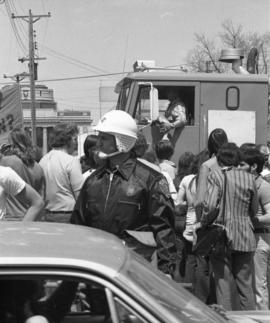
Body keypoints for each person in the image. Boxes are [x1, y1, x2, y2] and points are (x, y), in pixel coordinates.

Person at [71, 110, 177, 276]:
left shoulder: (151, 179)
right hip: (98, 270)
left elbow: (164, 229)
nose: (98, 143)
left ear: (122, 141)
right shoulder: (92, 180)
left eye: (104, 138)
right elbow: (78, 225)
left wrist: (166, 270)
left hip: (136, 270)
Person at [202, 143, 258, 311]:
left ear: (219, 161)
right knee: (246, 286)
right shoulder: (249, 178)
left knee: (223, 283)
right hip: (245, 236)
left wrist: (205, 221)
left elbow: (210, 206)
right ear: (238, 160)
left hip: (222, 236)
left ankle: (226, 319)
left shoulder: (216, 176)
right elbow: (254, 210)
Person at [177, 149, 214, 303]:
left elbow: (178, 204)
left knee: (191, 265)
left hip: (189, 226)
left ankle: (187, 300)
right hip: (205, 227)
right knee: (205, 267)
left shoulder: (187, 179)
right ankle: (204, 302)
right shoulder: (212, 179)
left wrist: (188, 205)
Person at [239, 144, 270, 310]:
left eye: (242, 164)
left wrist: (253, 220)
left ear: (254, 166)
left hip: (260, 240)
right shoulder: (248, 184)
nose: (239, 167)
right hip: (254, 240)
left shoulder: (263, 186)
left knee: (259, 287)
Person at [39, 123, 84, 223]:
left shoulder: (43, 160)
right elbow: (80, 194)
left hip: (47, 214)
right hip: (68, 215)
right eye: (74, 139)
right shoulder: (71, 161)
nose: (76, 143)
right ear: (67, 140)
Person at [196, 128, 228, 219]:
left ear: (209, 145)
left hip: (213, 222)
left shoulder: (207, 166)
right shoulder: (236, 165)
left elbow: (200, 201)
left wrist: (200, 222)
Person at [7, 127, 45, 198]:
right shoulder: (38, 167)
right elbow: (42, 194)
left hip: (12, 208)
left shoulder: (9, 164)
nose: (10, 149)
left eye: (11, 145)